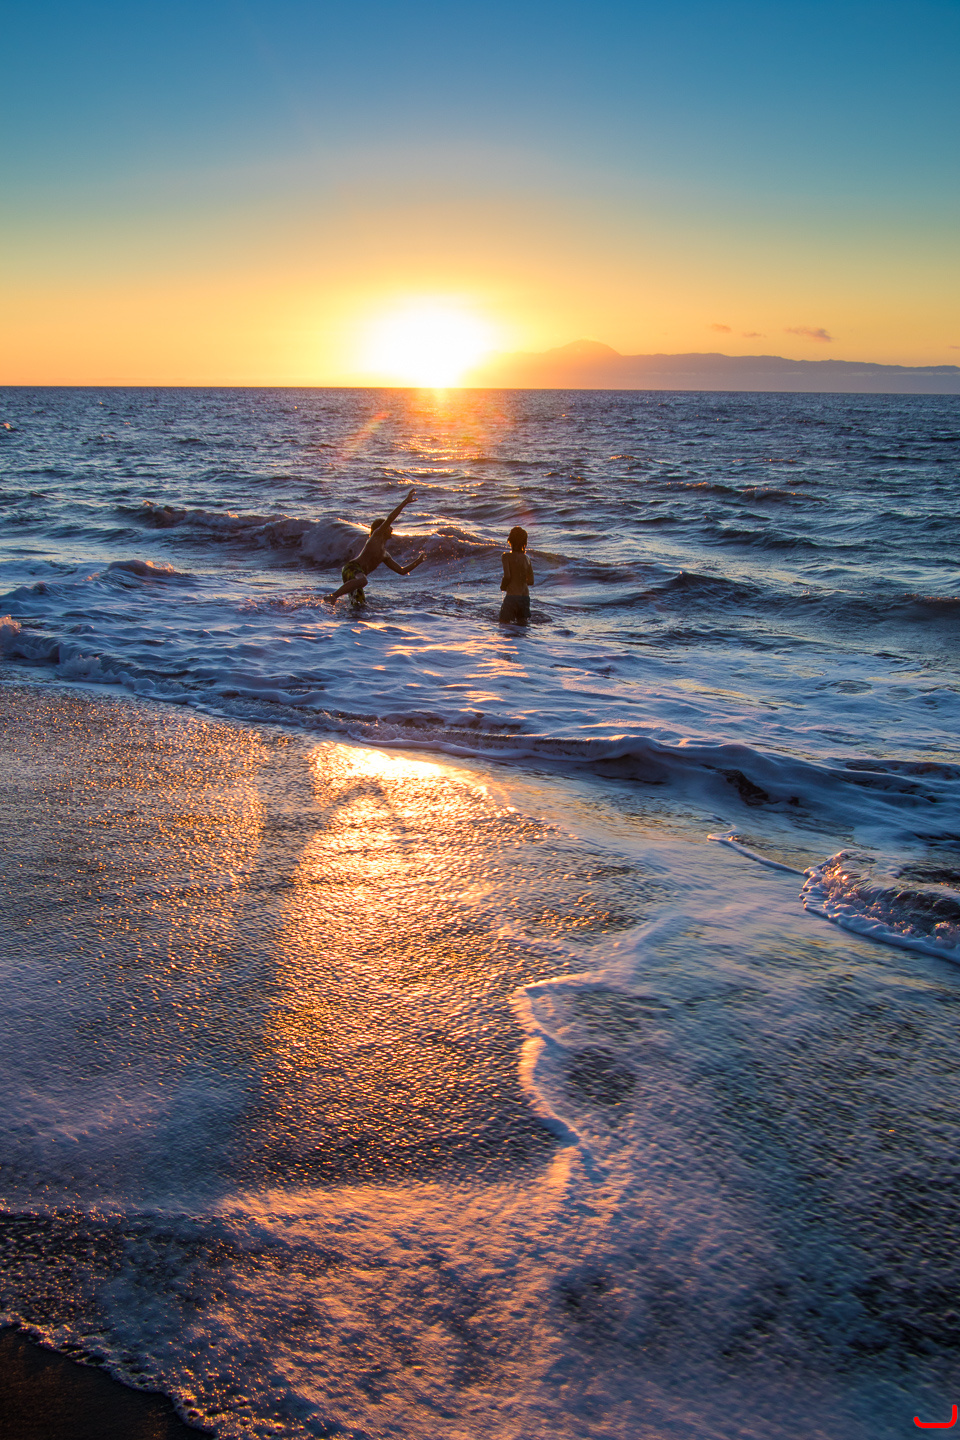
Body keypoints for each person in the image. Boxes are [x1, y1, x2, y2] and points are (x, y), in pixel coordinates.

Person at [324, 487, 425, 604]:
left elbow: (402, 571)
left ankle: (333, 607)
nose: (392, 529)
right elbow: (390, 518)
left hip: (357, 578)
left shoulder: (385, 555)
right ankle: (333, 596)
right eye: (389, 527)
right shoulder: (375, 538)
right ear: (382, 529)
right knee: (364, 581)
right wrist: (405, 502)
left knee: (359, 606)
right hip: (352, 568)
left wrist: (419, 561)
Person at [499, 525, 534, 623]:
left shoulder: (506, 557)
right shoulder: (527, 559)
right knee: (522, 624)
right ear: (525, 543)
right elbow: (531, 581)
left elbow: (507, 576)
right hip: (525, 597)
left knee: (504, 623)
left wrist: (503, 586)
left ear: (510, 541)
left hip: (512, 596)